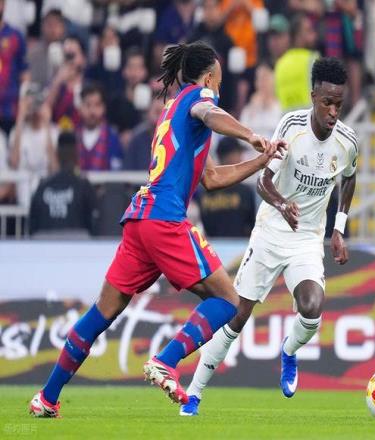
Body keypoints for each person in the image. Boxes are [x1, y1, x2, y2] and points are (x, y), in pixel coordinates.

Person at [29, 41, 285, 418]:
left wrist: (260, 161)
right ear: (209, 78)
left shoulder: (172, 111)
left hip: (140, 220)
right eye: (218, 80)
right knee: (229, 300)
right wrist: (250, 135)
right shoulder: (198, 98)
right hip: (165, 218)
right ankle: (166, 360)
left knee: (103, 312)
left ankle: (47, 397)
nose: (219, 87)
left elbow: (211, 178)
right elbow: (209, 111)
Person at [180, 56, 358, 416]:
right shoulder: (291, 127)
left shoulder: (348, 141)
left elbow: (350, 177)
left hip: (307, 238)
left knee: (312, 307)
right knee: (236, 315)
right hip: (272, 231)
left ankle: (289, 351)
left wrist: (338, 228)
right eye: (327, 102)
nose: (333, 112)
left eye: (339, 104)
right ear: (313, 96)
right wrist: (282, 204)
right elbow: (263, 181)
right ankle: (194, 393)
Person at [29, 131, 97, 237]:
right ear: (76, 155)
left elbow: (32, 226)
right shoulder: (84, 186)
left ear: (57, 155)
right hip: (78, 245)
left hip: (45, 245)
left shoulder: (42, 187)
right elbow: (94, 225)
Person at [9, 83, 58, 208]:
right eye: (30, 102)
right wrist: (20, 117)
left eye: (38, 102)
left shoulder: (54, 132)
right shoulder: (16, 132)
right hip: (23, 200)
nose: (34, 107)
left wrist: (47, 124)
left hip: (48, 199)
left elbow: (54, 168)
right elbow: (14, 164)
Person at [199, 137, 256, 237]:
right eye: (238, 153)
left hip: (214, 245)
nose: (241, 158)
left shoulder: (204, 190)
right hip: (236, 245)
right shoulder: (244, 192)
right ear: (228, 156)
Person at [274, 13, 319, 112]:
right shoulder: (313, 59)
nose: (314, 35)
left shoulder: (280, 63)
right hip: (309, 118)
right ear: (298, 36)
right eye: (309, 30)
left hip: (286, 119)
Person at [76, 84, 123, 171]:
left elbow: (116, 171)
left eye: (97, 105)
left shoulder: (112, 137)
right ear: (80, 108)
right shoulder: (73, 136)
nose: (92, 111)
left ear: (104, 108)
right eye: (88, 105)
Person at [45, 35, 86, 131]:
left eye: (72, 55)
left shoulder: (88, 84)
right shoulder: (54, 83)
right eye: (66, 55)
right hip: (56, 132)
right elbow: (45, 108)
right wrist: (58, 81)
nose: (69, 60)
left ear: (83, 58)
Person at [0, 0, 29, 135]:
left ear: (4, 4)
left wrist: (23, 101)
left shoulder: (15, 35)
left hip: (10, 109)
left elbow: (25, 73)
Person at [27, 8, 66, 88]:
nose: (53, 29)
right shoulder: (33, 53)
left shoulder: (68, 53)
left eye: (56, 25)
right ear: (42, 26)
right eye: (49, 25)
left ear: (63, 28)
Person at [123, 98, 164, 171]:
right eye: (157, 112)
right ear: (148, 113)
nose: (159, 117)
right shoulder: (137, 141)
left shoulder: (175, 141)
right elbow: (127, 172)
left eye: (163, 112)